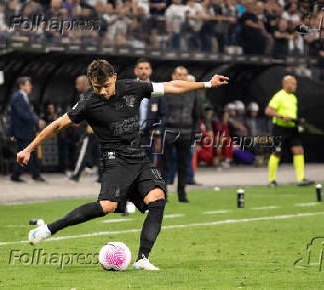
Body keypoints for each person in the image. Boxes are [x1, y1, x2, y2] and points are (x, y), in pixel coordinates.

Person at [19, 59, 229, 270]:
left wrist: (207, 84)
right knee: (107, 207)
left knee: (157, 199)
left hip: (138, 156)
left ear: (115, 78)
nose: (101, 91)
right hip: (115, 160)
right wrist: (28, 149)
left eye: (105, 86)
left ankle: (142, 259)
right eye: (96, 87)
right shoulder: (88, 102)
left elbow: (171, 85)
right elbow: (57, 125)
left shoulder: (133, 87)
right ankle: (49, 229)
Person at [160, 66, 202, 202]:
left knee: (183, 165)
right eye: (179, 74)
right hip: (169, 131)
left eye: (184, 75)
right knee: (165, 165)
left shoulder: (193, 92)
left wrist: (196, 135)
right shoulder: (165, 91)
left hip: (186, 132)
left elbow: (197, 116)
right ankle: (163, 193)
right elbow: (160, 113)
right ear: (173, 76)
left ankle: (182, 194)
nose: (182, 77)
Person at [264, 75, 314, 187]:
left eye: (295, 84)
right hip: (279, 129)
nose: (295, 86)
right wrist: (281, 116)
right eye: (293, 83)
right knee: (276, 152)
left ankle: (301, 179)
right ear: (286, 84)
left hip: (292, 129)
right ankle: (271, 180)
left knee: (299, 151)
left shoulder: (293, 98)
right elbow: (268, 111)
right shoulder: (279, 96)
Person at [10, 77, 46, 183]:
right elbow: (23, 114)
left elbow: (28, 113)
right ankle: (35, 175)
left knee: (25, 152)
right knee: (29, 152)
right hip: (22, 131)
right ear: (21, 86)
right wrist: (37, 121)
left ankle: (16, 175)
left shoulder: (23, 97)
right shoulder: (18, 97)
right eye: (28, 84)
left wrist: (37, 120)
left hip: (25, 131)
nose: (30, 86)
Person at [135, 58, 167, 164]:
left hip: (150, 135)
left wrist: (158, 131)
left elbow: (164, 114)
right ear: (136, 71)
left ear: (150, 71)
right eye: (141, 68)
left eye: (146, 68)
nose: (144, 71)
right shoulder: (128, 88)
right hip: (132, 134)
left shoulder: (157, 89)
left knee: (148, 166)